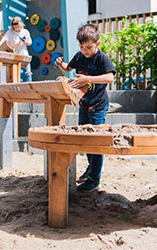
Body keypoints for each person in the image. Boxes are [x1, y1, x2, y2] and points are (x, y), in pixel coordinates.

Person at [54, 23, 115, 192]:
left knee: (95, 141)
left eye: (89, 47)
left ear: (98, 44)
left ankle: (95, 178)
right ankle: (91, 167)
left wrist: (88, 79)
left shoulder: (102, 59)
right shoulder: (79, 56)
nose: (85, 51)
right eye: (82, 47)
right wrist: (61, 64)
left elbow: (110, 78)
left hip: (98, 105)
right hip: (83, 104)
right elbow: (68, 68)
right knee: (85, 139)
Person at [4, 16, 32, 82]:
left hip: (24, 54)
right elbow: (4, 40)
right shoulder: (10, 32)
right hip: (15, 55)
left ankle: (29, 86)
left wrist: (25, 42)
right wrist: (12, 48)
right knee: (15, 73)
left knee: (28, 73)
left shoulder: (25, 31)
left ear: (20, 23)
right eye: (13, 24)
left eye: (16, 23)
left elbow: (30, 43)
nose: (15, 26)